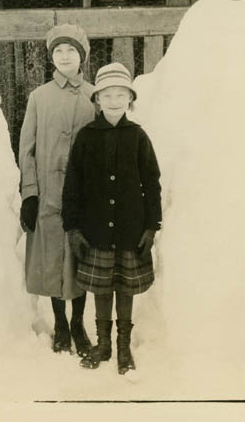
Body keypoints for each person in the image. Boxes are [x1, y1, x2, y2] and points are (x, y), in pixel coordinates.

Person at [62, 62, 162, 375]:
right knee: (102, 287)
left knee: (125, 288)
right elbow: (73, 184)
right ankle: (102, 344)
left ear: (130, 100)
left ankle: (123, 347)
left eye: (121, 95)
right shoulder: (86, 137)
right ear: (97, 99)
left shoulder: (138, 136)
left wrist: (151, 226)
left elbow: (152, 182)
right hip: (95, 231)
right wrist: (73, 227)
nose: (114, 101)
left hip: (131, 229)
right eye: (108, 95)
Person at [18, 24, 96, 356]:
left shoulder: (95, 96)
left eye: (72, 51)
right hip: (48, 195)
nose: (65, 57)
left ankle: (78, 323)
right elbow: (27, 149)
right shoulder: (39, 97)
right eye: (59, 51)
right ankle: (60, 323)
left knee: (81, 261)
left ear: (82, 57)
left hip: (84, 198)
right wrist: (30, 194)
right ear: (52, 57)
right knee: (51, 260)